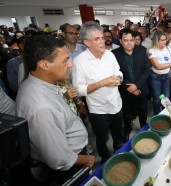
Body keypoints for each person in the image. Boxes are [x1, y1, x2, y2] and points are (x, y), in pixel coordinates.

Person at [16, 34, 95, 184]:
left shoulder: (41, 84)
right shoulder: (41, 109)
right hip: (72, 165)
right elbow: (58, 159)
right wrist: (86, 159)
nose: (71, 64)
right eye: (65, 60)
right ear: (45, 64)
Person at [72, 21, 123, 163]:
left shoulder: (110, 55)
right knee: (102, 138)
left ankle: (119, 152)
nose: (102, 41)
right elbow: (78, 89)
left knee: (118, 133)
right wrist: (102, 83)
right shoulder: (79, 62)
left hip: (116, 103)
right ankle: (106, 159)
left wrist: (118, 78)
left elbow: (118, 71)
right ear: (87, 42)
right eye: (97, 39)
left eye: (102, 38)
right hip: (98, 110)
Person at [112, 28, 150, 142]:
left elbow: (146, 70)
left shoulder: (142, 51)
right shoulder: (114, 54)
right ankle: (127, 129)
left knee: (143, 111)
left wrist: (136, 86)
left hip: (141, 88)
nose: (129, 43)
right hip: (125, 90)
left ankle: (143, 128)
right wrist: (129, 87)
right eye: (126, 40)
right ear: (121, 41)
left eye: (131, 40)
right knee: (127, 113)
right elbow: (115, 74)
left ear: (134, 40)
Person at [148, 30, 171, 115]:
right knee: (157, 98)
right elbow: (158, 66)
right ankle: (157, 115)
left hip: (166, 77)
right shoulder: (152, 51)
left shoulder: (168, 49)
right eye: (162, 40)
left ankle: (166, 114)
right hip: (155, 78)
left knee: (166, 97)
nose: (165, 41)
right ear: (157, 40)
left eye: (165, 39)